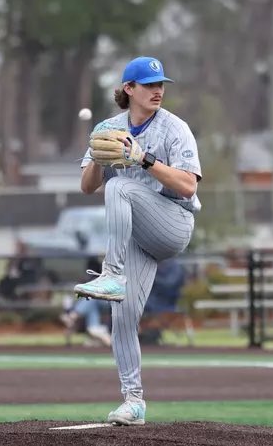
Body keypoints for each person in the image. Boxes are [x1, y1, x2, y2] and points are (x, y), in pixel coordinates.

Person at [73, 56, 201, 426]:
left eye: (161, 83)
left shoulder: (175, 128)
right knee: (122, 315)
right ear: (129, 89)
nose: (157, 90)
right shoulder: (107, 128)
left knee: (121, 186)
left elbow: (189, 185)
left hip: (173, 223)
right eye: (148, 84)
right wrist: (98, 157)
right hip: (136, 236)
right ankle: (133, 401)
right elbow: (86, 187)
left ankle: (111, 272)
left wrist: (143, 158)